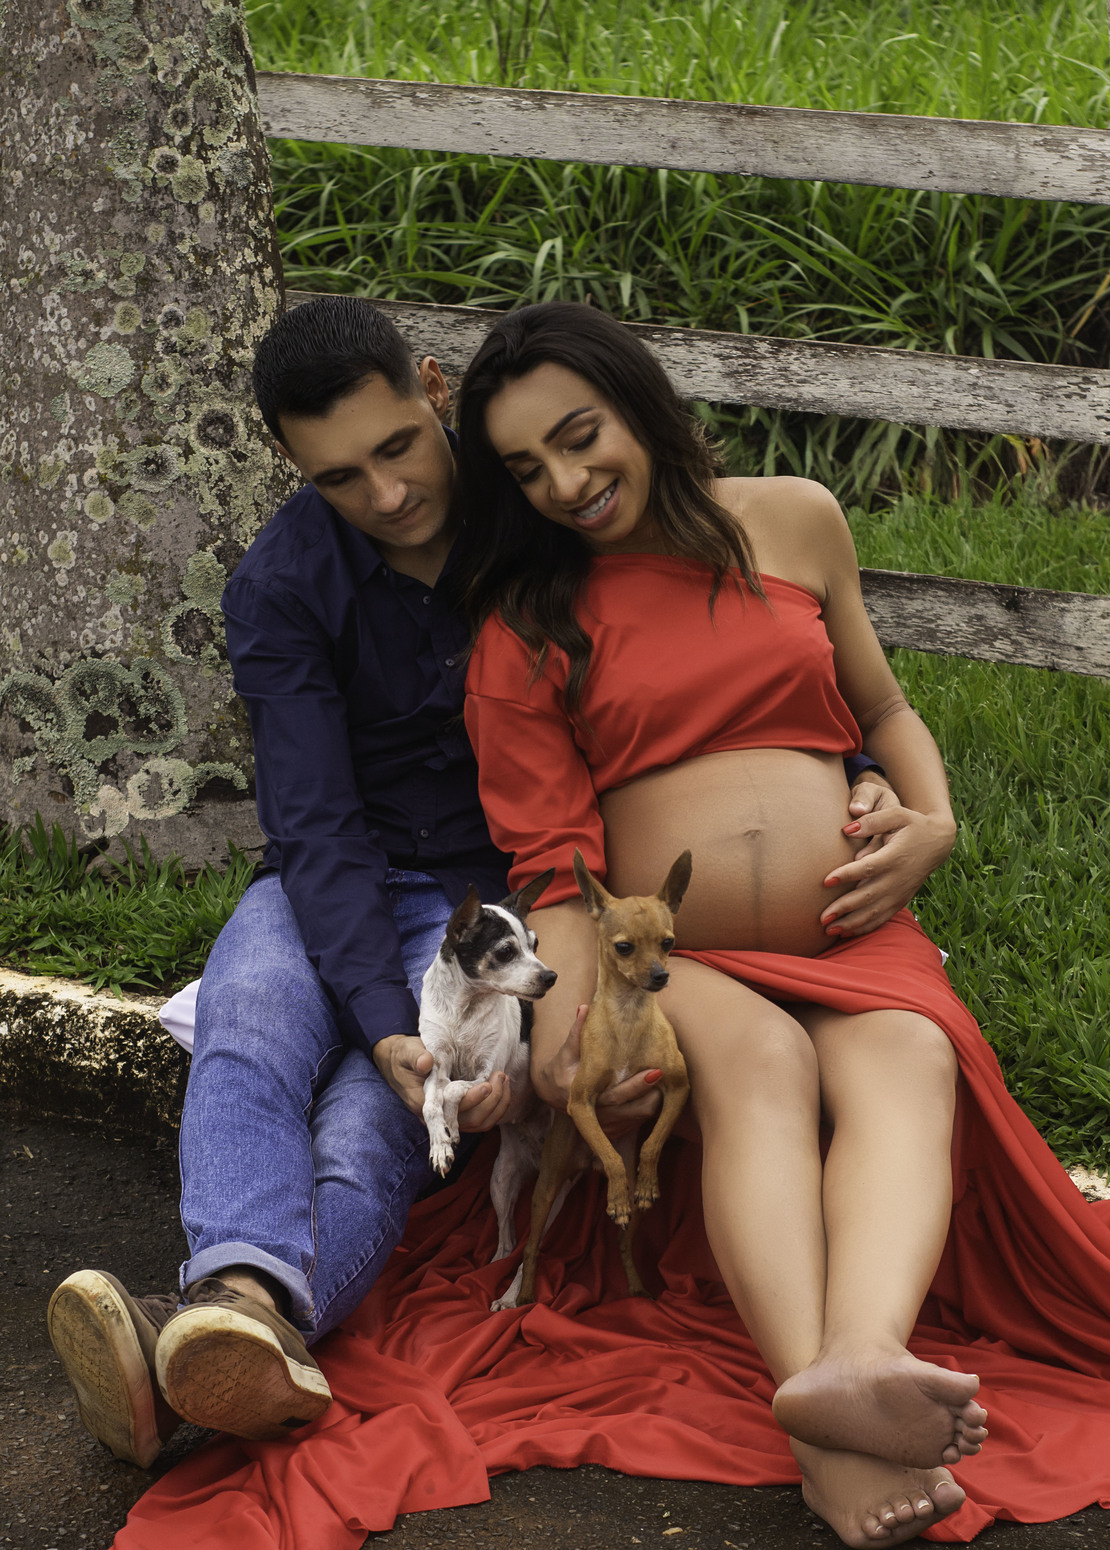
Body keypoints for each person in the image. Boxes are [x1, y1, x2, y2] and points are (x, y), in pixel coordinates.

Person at [46, 296, 891, 1471]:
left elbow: (717, 658)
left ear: (433, 390)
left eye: (397, 448)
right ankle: (239, 1308)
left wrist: (852, 773)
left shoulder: (539, 503)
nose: (387, 495)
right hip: (340, 877)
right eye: (342, 477)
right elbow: (317, 823)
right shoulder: (283, 585)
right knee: (253, 1026)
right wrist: (384, 1016)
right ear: (294, 468)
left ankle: (224, 1337)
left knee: (375, 1114)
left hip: (495, 897)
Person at [451, 301, 1110, 1550]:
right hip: (676, 959)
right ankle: (819, 1426)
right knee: (768, 1065)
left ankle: (859, 1357)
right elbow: (554, 864)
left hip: (848, 932)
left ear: (639, 404)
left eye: (582, 437)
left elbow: (882, 709)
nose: (567, 482)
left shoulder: (792, 519)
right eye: (528, 468)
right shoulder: (525, 619)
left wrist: (934, 820)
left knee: (913, 1057)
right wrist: (574, 1027)